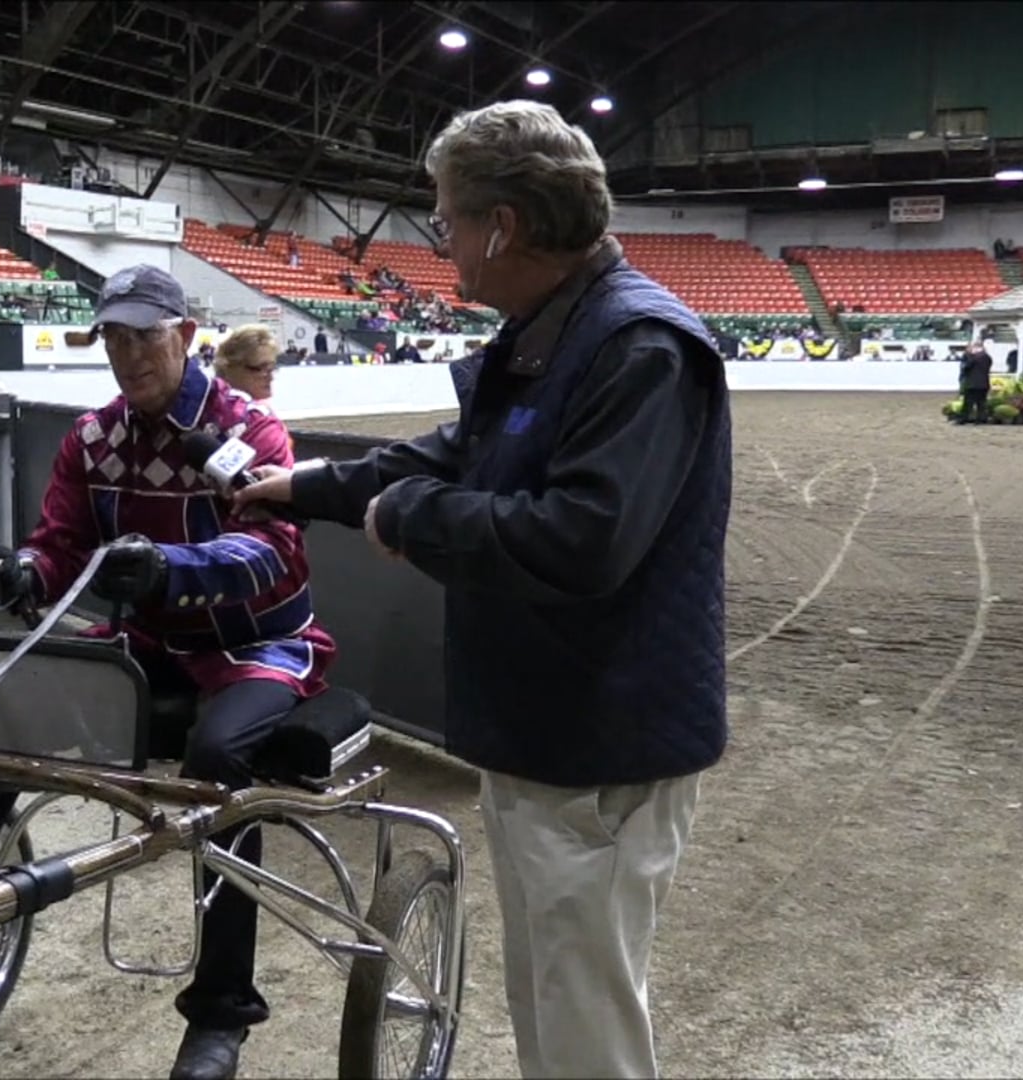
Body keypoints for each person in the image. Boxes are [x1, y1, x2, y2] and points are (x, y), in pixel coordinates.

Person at [236, 99, 732, 1080]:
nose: (444, 242)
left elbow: (582, 539)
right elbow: (452, 456)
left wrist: (412, 517)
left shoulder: (640, 348)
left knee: (585, 1023)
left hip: (599, 750)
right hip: (548, 735)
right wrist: (310, 490)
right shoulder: (553, 333)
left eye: (449, 217)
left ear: (502, 225)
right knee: (553, 999)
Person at [0, 264, 336, 1080]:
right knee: (8, 715)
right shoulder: (92, 438)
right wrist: (25, 572)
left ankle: (221, 1015)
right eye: (113, 338)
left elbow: (274, 549)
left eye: (143, 336)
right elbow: (62, 547)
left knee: (219, 763)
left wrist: (170, 569)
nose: (127, 355)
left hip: (257, 648)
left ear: (186, 338)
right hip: (147, 649)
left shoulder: (248, 429)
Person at [211, 324, 278, 403]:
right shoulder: (224, 412)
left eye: (271, 368)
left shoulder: (258, 410)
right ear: (229, 368)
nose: (271, 378)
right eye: (261, 368)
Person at [958, 340, 993, 424]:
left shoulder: (974, 357)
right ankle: (981, 418)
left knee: (968, 402)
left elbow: (967, 367)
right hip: (984, 383)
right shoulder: (987, 357)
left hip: (973, 383)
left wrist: (968, 355)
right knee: (981, 402)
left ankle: (964, 418)